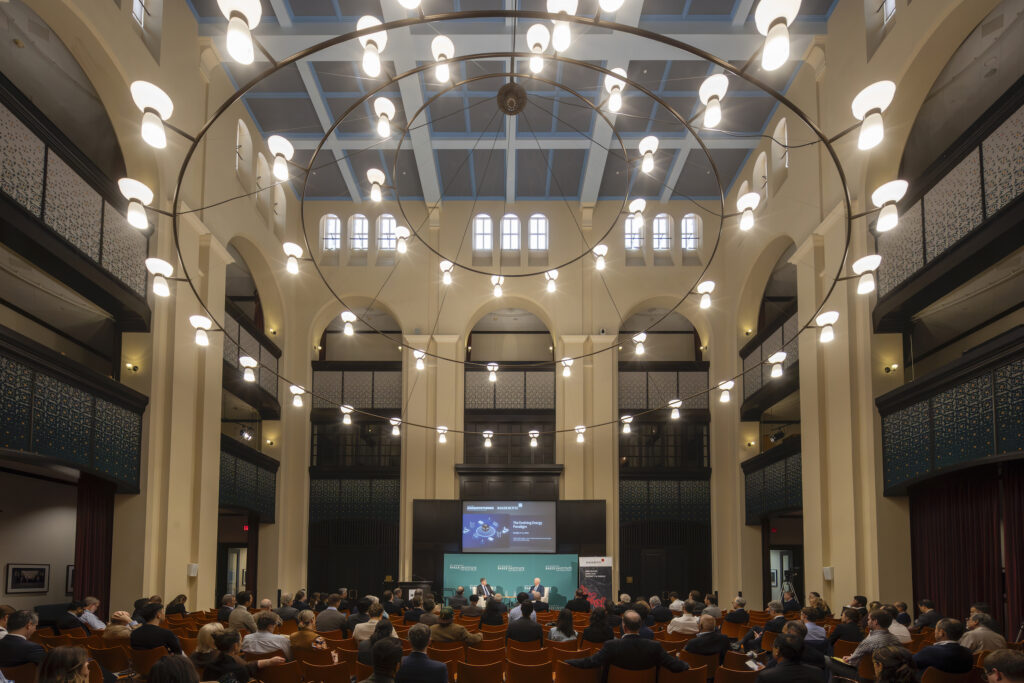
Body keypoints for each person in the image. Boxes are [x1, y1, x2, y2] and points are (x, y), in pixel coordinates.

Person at [568, 611, 688, 680]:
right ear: (640, 625)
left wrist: (568, 661)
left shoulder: (611, 646)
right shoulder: (654, 646)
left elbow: (590, 662)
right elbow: (675, 666)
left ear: (624, 627)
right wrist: (687, 664)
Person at [826, 609, 901, 680]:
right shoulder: (896, 639)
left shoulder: (869, 641)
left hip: (865, 676)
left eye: (868, 619)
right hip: (890, 676)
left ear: (875, 622)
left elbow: (853, 663)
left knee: (828, 660)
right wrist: (852, 657)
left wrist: (850, 659)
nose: (867, 622)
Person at [202, 629, 283, 682]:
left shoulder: (209, 665)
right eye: (240, 641)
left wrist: (267, 662)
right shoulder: (239, 670)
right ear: (235, 646)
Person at [754, 633, 822, 683]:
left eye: (773, 646)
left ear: (777, 650)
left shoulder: (766, 676)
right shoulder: (817, 672)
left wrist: (766, 671)